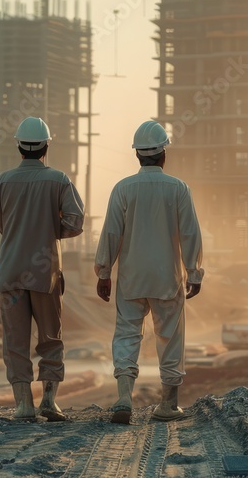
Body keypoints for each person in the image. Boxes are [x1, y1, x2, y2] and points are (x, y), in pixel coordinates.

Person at [94, 120, 204, 423]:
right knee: (169, 338)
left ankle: (123, 399)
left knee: (127, 335)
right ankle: (168, 404)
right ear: (163, 153)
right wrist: (194, 273)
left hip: (131, 279)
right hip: (167, 278)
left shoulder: (122, 189)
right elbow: (190, 235)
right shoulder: (179, 189)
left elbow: (111, 234)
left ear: (137, 155)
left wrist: (104, 272)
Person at [0, 116, 84, 421]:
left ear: (19, 147)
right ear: (46, 146)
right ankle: (49, 400)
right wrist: (50, 229)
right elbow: (76, 221)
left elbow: (0, 224)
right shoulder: (58, 180)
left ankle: (22, 405)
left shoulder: (3, 181)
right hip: (46, 274)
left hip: (11, 274)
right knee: (51, 338)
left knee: (15, 341)